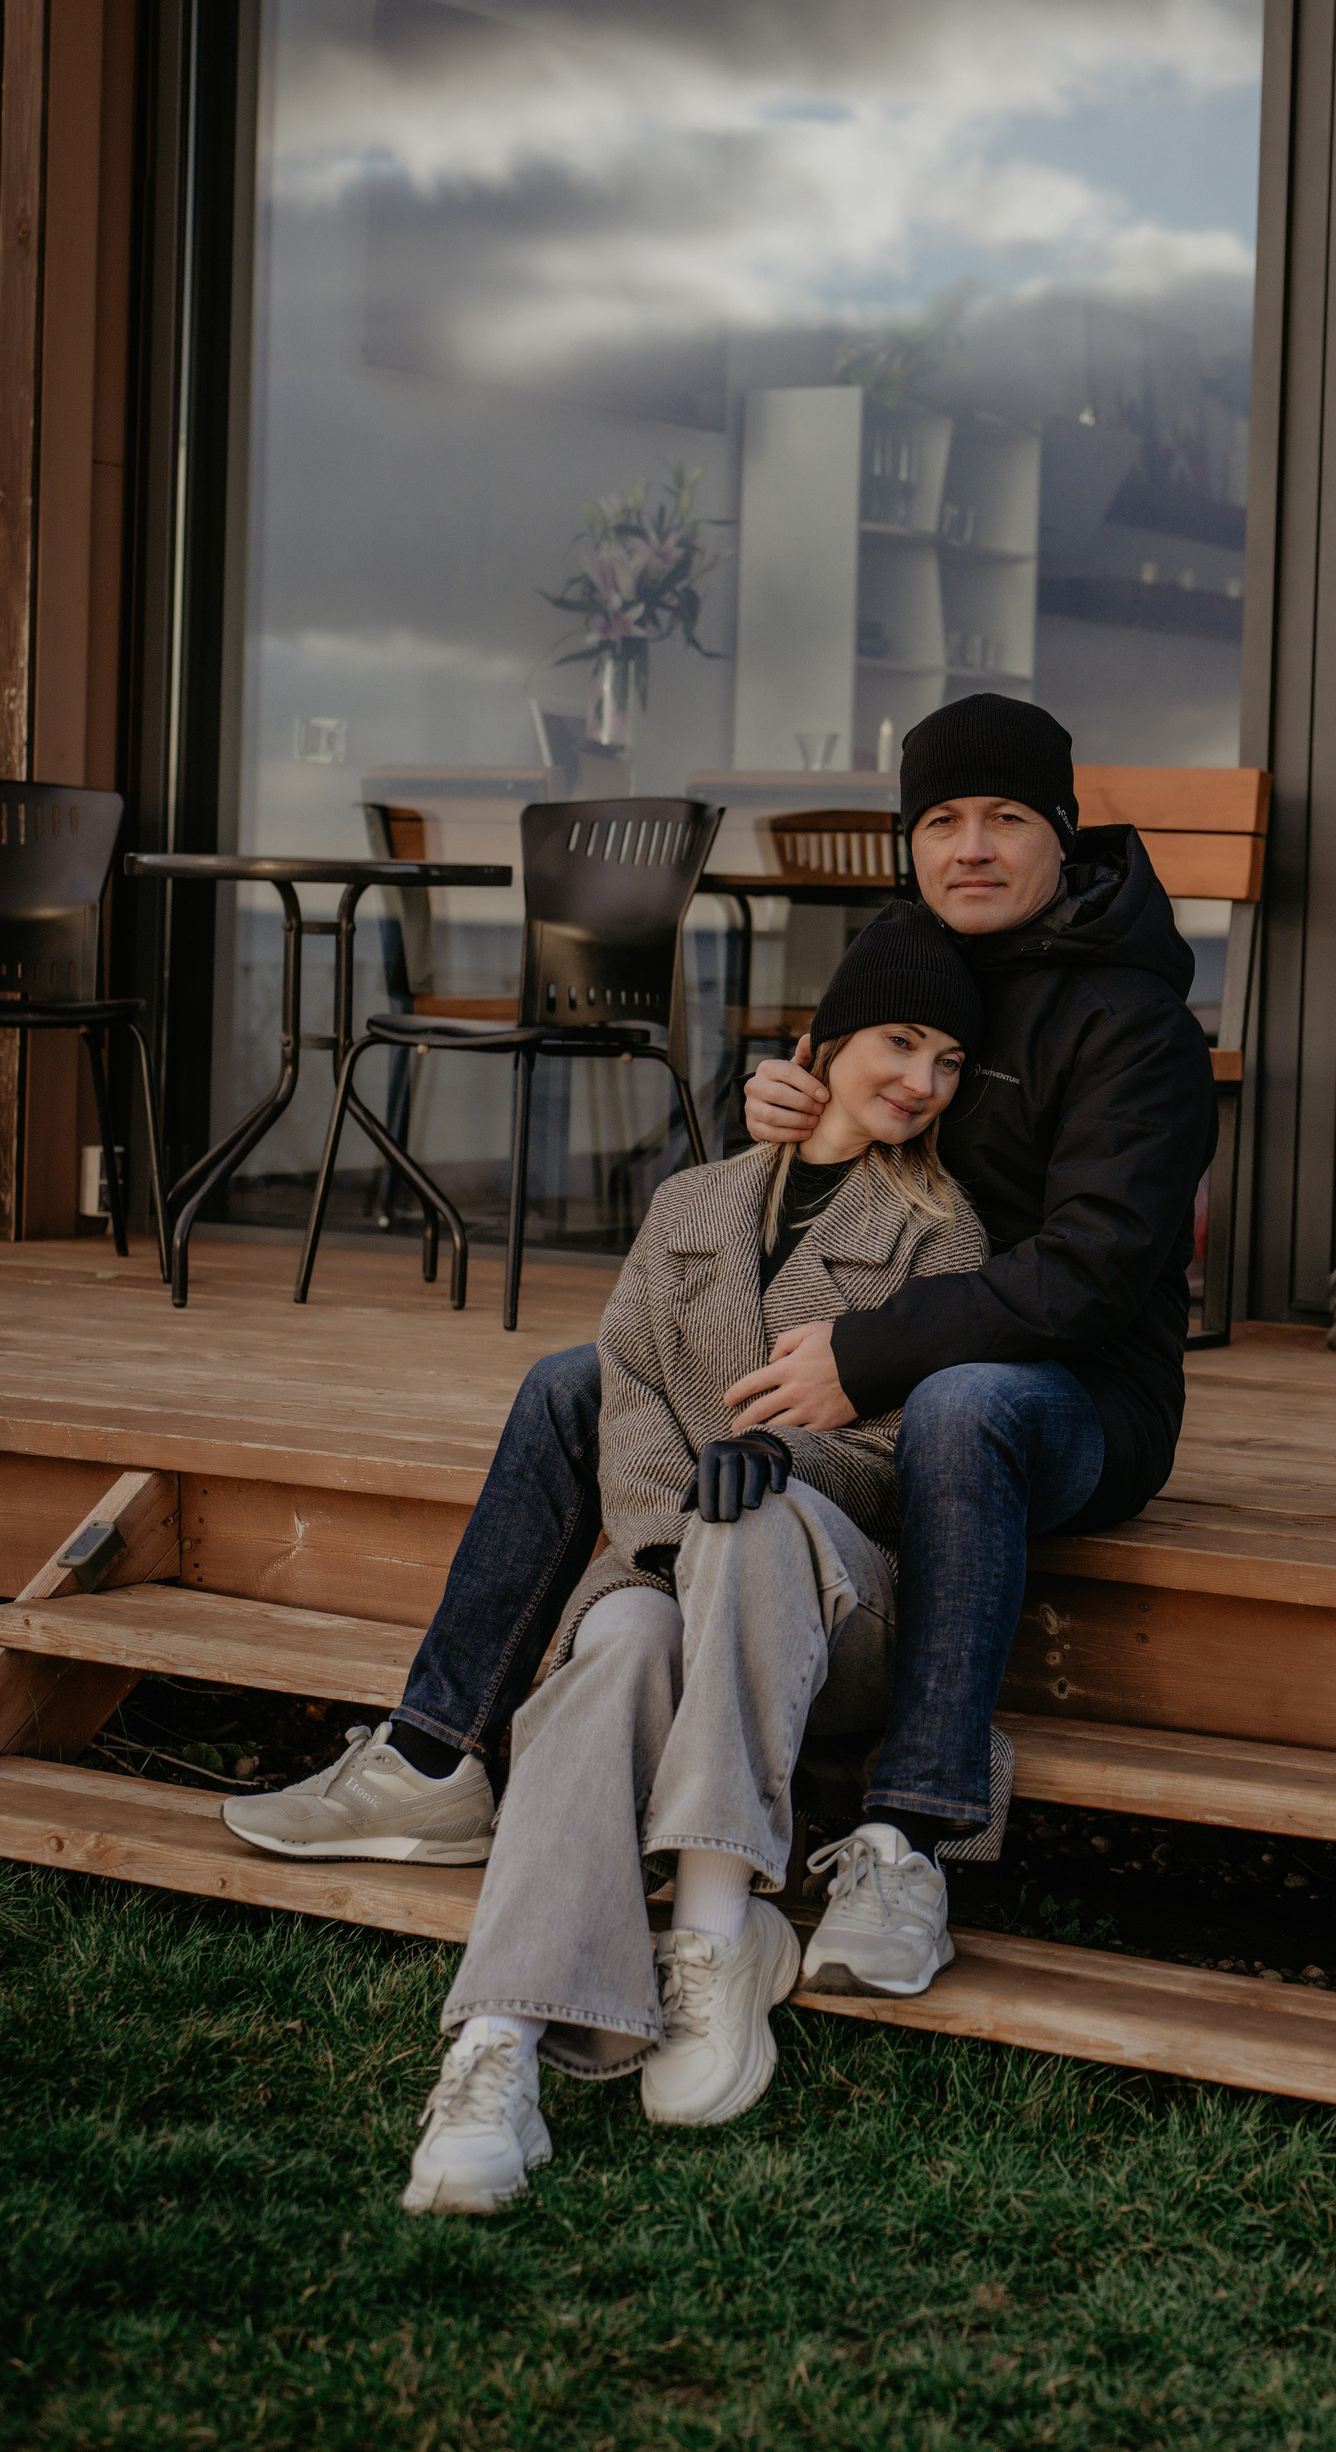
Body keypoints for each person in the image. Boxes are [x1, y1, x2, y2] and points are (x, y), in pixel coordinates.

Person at [230, 693, 1217, 2000]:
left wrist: (865, 1354)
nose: (971, 847)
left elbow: (1096, 1267)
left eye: (1005, 819)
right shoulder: (907, 947)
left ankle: (911, 1838)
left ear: (1064, 831)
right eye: (941, 822)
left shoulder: (1136, 1023)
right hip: (876, 1344)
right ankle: (434, 1758)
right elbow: (837, 1116)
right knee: (575, 1383)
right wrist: (785, 1108)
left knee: (967, 1405)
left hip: (1071, 1394)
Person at [398, 912, 989, 2211]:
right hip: (669, 1572)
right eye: (900, 1042)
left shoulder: (942, 1233)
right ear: (822, 1043)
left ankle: (715, 1929)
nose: (922, 1081)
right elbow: (624, 1396)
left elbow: (908, 1459)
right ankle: (499, 2045)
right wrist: (675, 1529)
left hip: (837, 1618)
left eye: (949, 1060)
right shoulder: (688, 1205)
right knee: (615, 1641)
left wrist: (788, 1462)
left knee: (754, 1520)